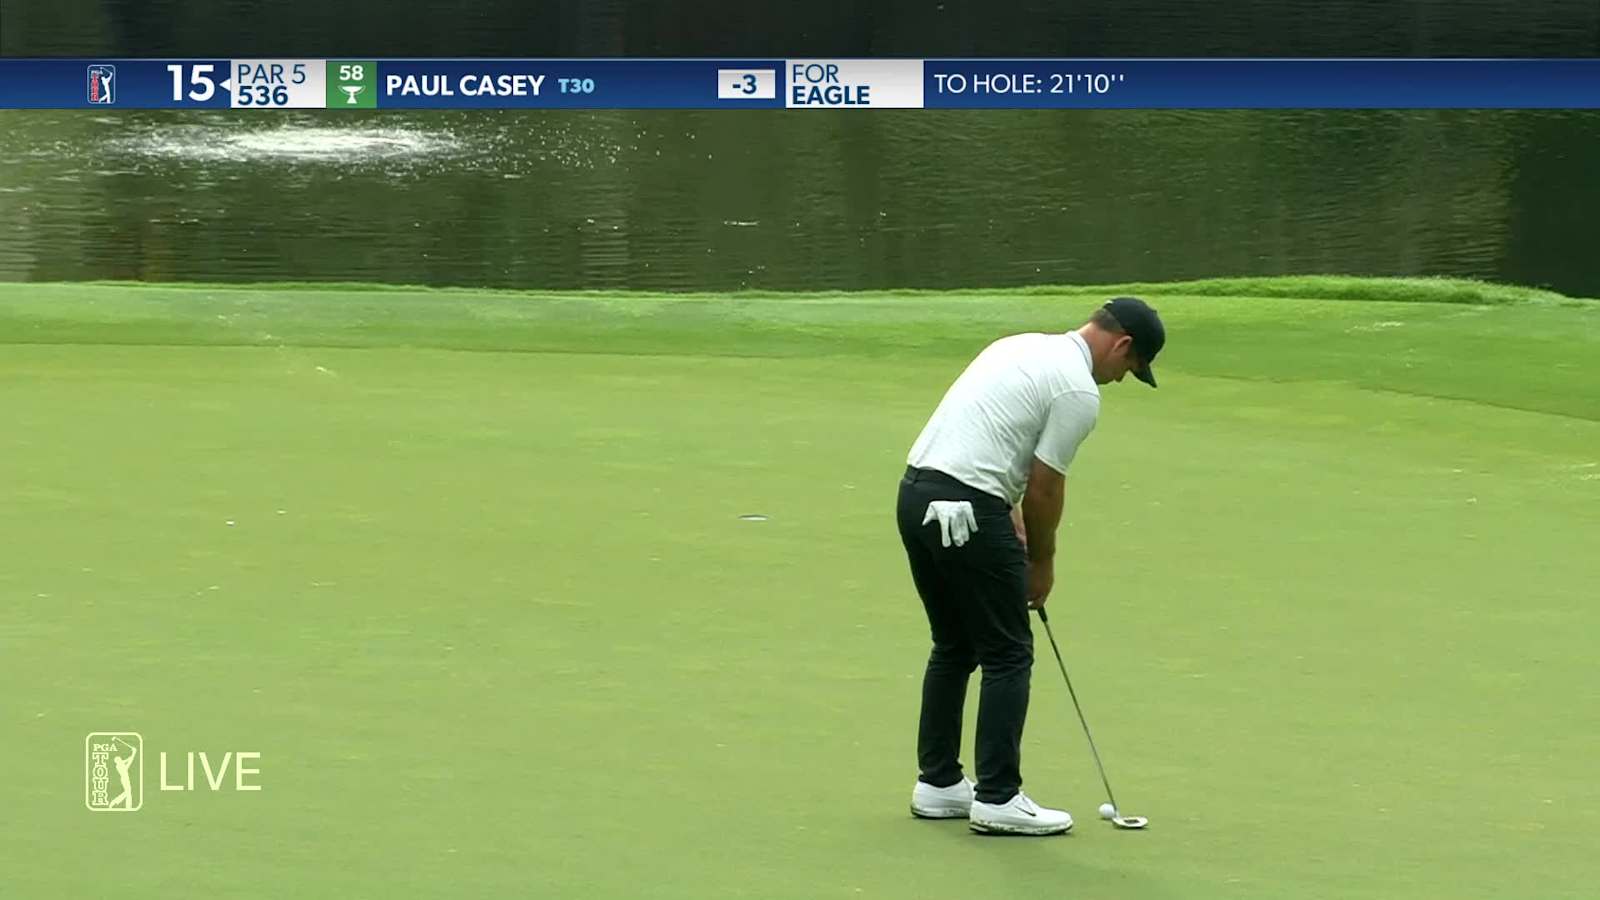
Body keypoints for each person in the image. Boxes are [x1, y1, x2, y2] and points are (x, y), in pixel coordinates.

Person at [896, 296, 1165, 835]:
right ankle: (998, 796)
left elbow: (992, 436)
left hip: (917, 495)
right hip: (968, 509)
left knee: (955, 644)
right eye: (1131, 368)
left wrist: (1008, 507)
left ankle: (939, 784)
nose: (1120, 379)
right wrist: (1042, 562)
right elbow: (1046, 485)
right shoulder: (1077, 389)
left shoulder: (1019, 346)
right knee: (1009, 652)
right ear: (1122, 345)